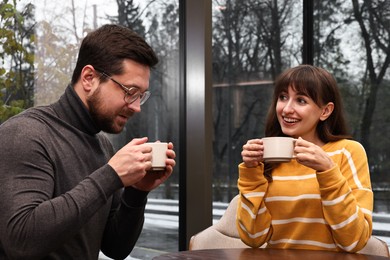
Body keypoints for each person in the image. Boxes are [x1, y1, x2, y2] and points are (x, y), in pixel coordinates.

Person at [0, 24, 176, 259]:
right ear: (89, 78)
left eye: (141, 96)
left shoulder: (102, 145)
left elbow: (115, 247)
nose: (136, 107)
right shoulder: (24, 134)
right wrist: (110, 176)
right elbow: (21, 240)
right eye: (130, 91)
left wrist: (137, 192)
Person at [236, 65, 373, 252]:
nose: (286, 109)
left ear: (325, 111)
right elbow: (253, 238)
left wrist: (328, 172)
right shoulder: (268, 156)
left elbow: (354, 241)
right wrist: (251, 172)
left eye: (301, 100)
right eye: (283, 97)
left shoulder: (347, 152)